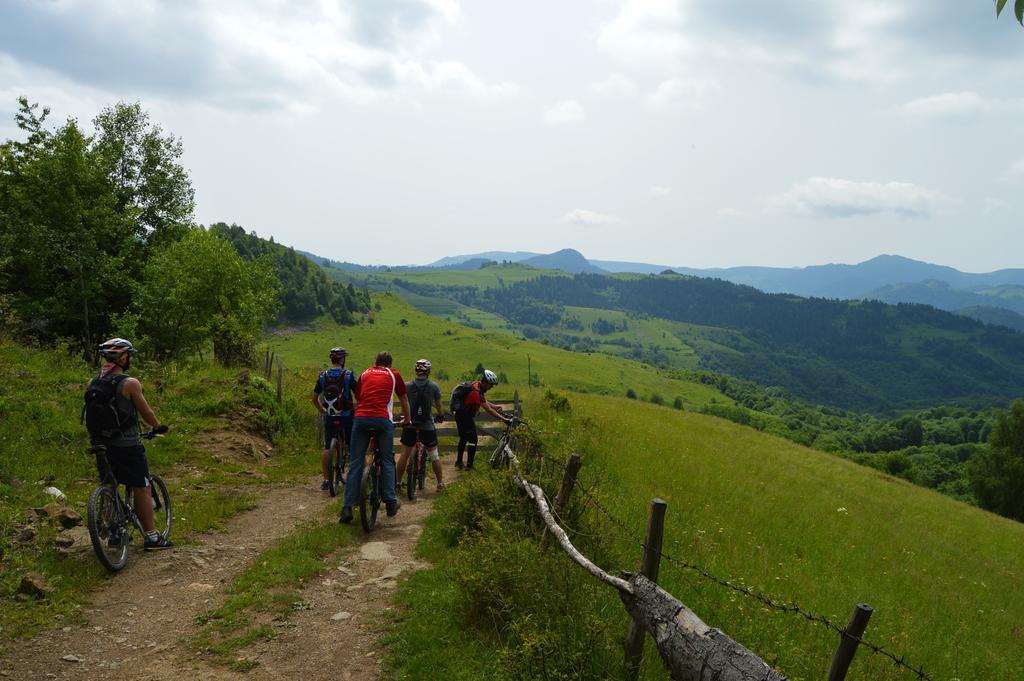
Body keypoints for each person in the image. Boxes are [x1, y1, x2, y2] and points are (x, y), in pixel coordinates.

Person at [87, 338, 172, 550]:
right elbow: (146, 412)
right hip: (127, 444)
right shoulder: (130, 383)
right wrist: (157, 426)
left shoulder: (94, 382)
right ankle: (152, 537)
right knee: (142, 486)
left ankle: (115, 533)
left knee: (109, 485)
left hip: (101, 444)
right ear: (123, 358)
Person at [340, 351, 410, 524]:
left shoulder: (365, 373)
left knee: (356, 461)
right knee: (386, 460)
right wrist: (406, 420)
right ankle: (391, 502)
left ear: (375, 362)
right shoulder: (393, 374)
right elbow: (404, 399)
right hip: (382, 420)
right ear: (390, 364)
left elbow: (359, 396)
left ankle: (347, 508)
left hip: (361, 419)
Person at [395, 359, 446, 493]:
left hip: (410, 424)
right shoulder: (433, 386)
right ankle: (440, 483)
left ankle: (398, 483)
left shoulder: (407, 386)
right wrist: (440, 415)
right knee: (434, 455)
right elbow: (439, 406)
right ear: (428, 371)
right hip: (427, 425)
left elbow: (403, 404)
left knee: (404, 455)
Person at [311, 347, 357, 491]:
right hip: (346, 415)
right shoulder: (348, 375)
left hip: (330, 416)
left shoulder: (323, 375)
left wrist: (322, 410)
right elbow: (359, 395)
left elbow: (314, 398)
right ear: (342, 359)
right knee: (353, 446)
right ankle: (353, 478)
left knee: (327, 447)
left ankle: (325, 480)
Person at [454, 369, 510, 471]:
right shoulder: (476, 391)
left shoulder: (476, 385)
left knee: (463, 438)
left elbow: (483, 400)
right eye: (491, 385)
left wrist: (494, 406)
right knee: (473, 439)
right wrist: (503, 419)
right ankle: (469, 466)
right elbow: (488, 409)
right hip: (464, 416)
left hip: (460, 414)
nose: (491, 387)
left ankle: (458, 462)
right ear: (485, 382)